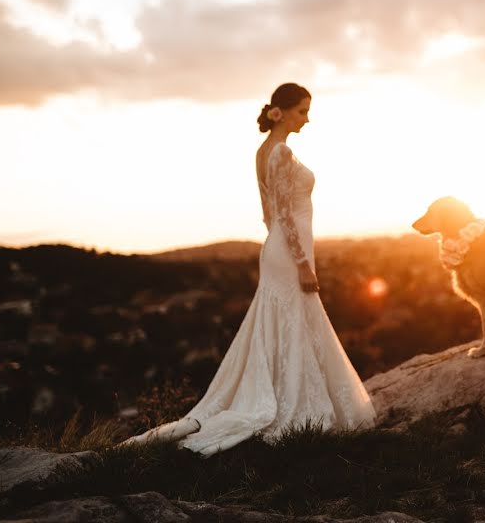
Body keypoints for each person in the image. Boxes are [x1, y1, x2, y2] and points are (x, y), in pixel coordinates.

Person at [123, 83, 376, 455]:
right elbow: (284, 214)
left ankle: (296, 395)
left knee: (289, 322)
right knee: (293, 319)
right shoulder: (282, 151)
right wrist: (303, 262)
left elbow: (267, 213)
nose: (308, 118)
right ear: (283, 111)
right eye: (303, 110)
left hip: (280, 249)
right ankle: (293, 406)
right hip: (290, 253)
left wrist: (282, 248)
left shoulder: (264, 151)